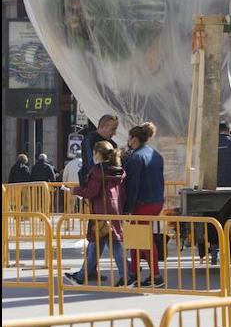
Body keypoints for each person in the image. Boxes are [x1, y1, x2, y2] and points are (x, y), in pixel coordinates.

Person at [64, 141, 128, 286]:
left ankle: (126, 276)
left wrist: (75, 190)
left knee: (107, 243)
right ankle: (82, 275)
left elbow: (91, 192)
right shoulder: (117, 170)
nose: (93, 155)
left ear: (98, 153)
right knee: (100, 243)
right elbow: (122, 193)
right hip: (114, 209)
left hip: (101, 211)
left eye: (94, 152)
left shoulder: (97, 171)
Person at [122, 122, 165, 287]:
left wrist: (128, 208)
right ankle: (134, 271)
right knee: (136, 236)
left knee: (143, 239)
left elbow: (133, 186)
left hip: (142, 203)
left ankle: (156, 276)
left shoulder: (135, 158)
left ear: (134, 139)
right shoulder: (156, 154)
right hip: (156, 201)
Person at [80, 115, 119, 185]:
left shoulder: (113, 144)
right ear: (102, 127)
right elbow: (90, 164)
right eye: (112, 129)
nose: (114, 133)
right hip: (94, 185)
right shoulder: (89, 140)